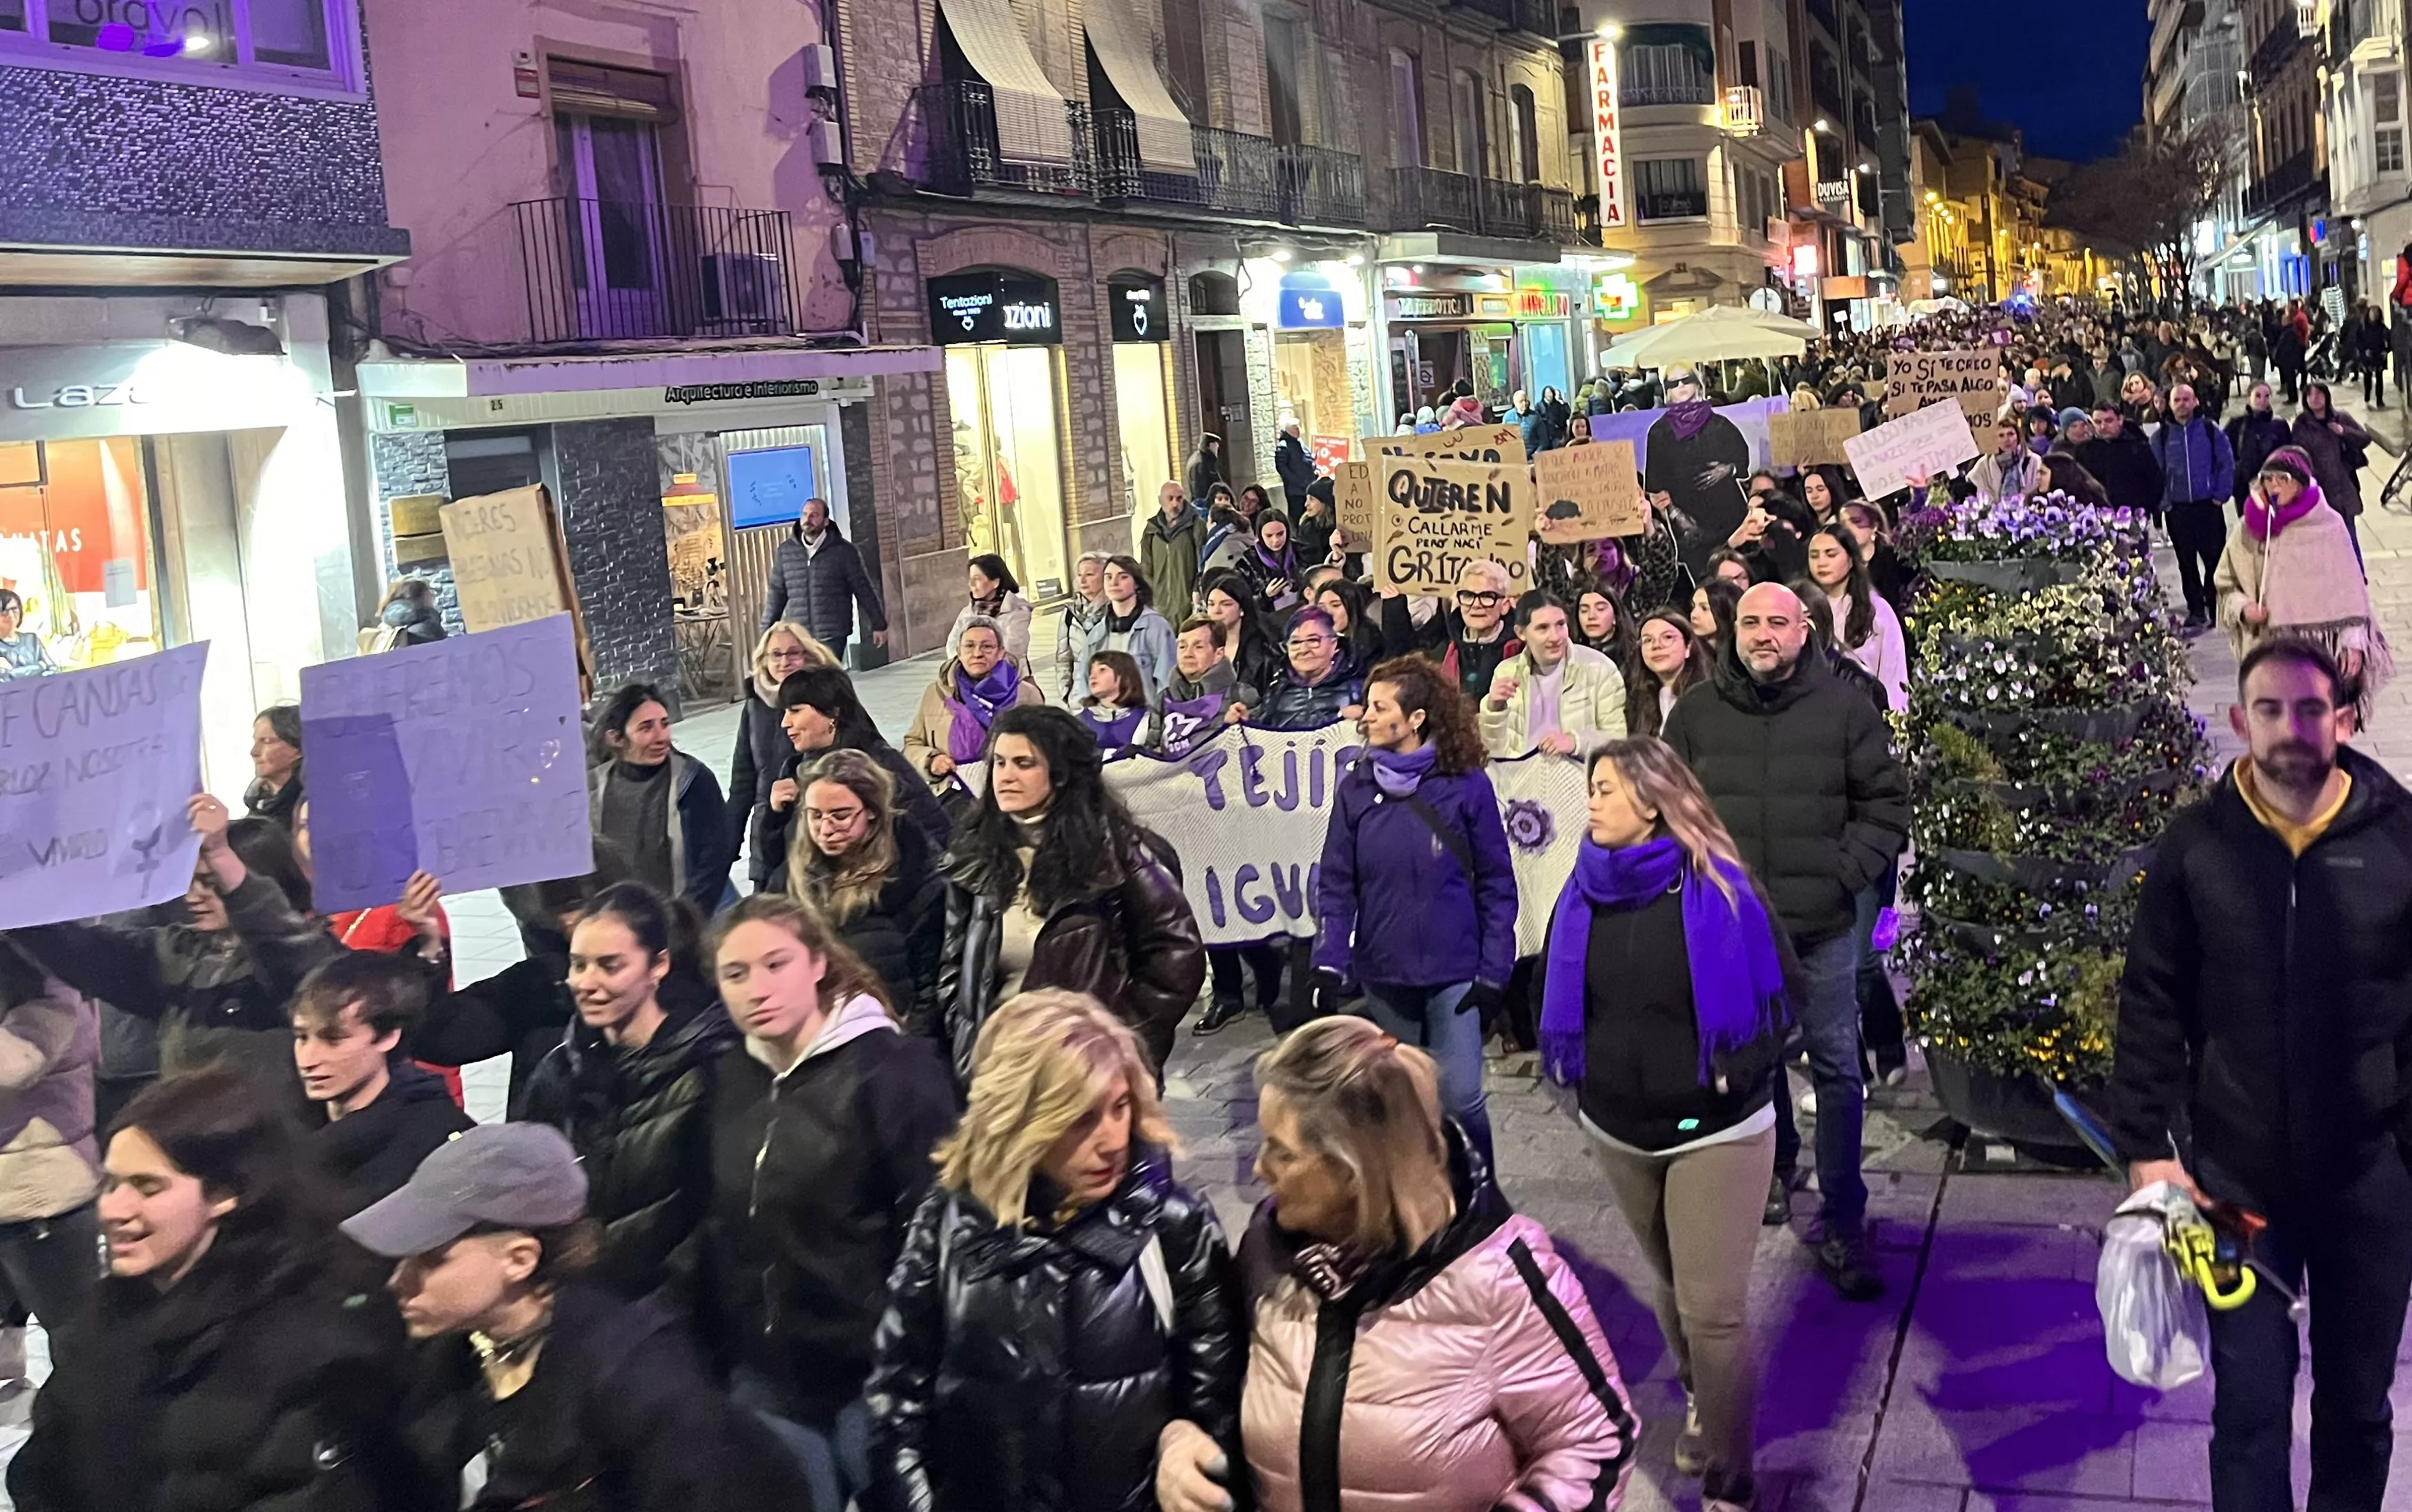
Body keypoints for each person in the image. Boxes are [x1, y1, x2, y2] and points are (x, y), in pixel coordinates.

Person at [2109, 639, 2412, 1512]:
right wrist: (2150, 1147)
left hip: (2369, 1180)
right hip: (2237, 1186)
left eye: (2311, 708)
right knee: (2248, 1410)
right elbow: (2153, 998)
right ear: (2240, 720)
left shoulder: (2395, 838)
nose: (2290, 727)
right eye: (2270, 710)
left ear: (2345, 718)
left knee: (2357, 1407)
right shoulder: (2197, 849)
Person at [1190, 1017, 1636, 1512]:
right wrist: (1180, 1440)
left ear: (1354, 1169)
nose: (1257, 1168)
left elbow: (1597, 1440)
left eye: (1282, 1153)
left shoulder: (1500, 1276)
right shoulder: (1267, 1247)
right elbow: (1221, 1384)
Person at [865, 989, 1245, 1512]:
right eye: (1080, 1118)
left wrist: (1188, 1444)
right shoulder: (947, 1221)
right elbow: (897, 1399)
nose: (1112, 1138)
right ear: (1019, 1118)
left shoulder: (1176, 1226)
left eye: (1120, 1106)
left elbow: (1218, 1406)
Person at [1537, 739, 1793, 1512]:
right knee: (1672, 1285)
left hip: (1718, 1129)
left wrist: (1730, 1074)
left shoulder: (1720, 883)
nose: (1591, 802)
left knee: (1713, 1308)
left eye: (1606, 789)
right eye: (1591, 788)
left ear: (1651, 801)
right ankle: (1698, 1395)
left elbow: (1781, 1006)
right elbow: (1553, 996)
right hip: (1619, 1129)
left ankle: (1732, 1475)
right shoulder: (1578, 890)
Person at [8, 1064, 418, 1512]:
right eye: (110, 1183)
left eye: (147, 1187)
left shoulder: (311, 1340)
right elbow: (43, 1473)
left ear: (225, 1193)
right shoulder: (103, 1323)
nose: (114, 1208)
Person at [1661, 583, 1908, 1300]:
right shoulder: (1699, 713)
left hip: (1822, 922)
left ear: (1805, 631)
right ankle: (1772, 1170)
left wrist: (1844, 873)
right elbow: (1667, 803)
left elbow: (1886, 802)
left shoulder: (1844, 707)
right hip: (1735, 927)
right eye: (1750, 622)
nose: (1763, 633)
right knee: (1752, 1060)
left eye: (1777, 621)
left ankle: (1843, 1214)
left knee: (1835, 1066)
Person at [347, 1122, 792, 1512]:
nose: (398, 1281)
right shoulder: (447, 1357)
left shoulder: (644, 1387)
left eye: (429, 1257)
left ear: (519, 1260)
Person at [706, 894, 959, 1512]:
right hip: (767, 1378)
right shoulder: (730, 1074)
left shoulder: (893, 1071)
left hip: (869, 1378)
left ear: (818, 962)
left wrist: (911, 1359)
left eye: (776, 964)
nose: (756, 989)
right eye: (735, 974)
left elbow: (941, 1228)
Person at [1310, 657, 1516, 1159]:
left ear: (1416, 717)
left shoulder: (1465, 784)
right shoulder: (1355, 788)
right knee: (1399, 1103)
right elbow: (1337, 884)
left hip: (1456, 972)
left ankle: (1479, 1194)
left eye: (1380, 708)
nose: (1367, 716)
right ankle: (1415, 1203)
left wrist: (1495, 970)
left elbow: (1496, 881)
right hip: (1385, 974)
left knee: (1461, 1097)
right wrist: (1328, 959)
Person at [15, 794, 339, 1100]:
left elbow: (282, 946)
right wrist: (13, 903)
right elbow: (86, 955)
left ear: (268, 879)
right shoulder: (183, 950)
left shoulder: (312, 957)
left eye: (211, 883)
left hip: (266, 1144)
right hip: (187, 1138)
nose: (193, 896)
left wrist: (223, 858)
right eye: (191, 881)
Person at [939, 705, 1203, 1078]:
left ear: (1061, 775)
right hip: (998, 1070)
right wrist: (966, 1034)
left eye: (1023, 763)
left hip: (1087, 1076)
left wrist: (1121, 1043)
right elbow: (953, 961)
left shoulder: (1115, 854)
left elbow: (1177, 953)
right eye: (999, 762)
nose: (1005, 776)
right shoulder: (973, 853)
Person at [520, 881, 732, 1315]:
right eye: (578, 965)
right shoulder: (557, 1072)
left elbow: (715, 1220)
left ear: (658, 966)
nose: (587, 983)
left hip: (673, 1322)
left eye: (610, 965)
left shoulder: (712, 1072)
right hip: (577, 1313)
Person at [2214, 446, 2392, 714]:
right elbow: (2225, 582)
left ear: (2301, 483)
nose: (2273, 486)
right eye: (2268, 478)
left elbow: (2349, 588)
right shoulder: (2250, 529)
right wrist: (2244, 608)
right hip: (2268, 654)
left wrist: (2353, 641)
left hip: (2322, 657)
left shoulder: (2329, 526)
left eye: (2282, 479)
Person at [289, 951, 472, 1211]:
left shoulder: (439, 1141)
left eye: (333, 1039)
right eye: (302, 1037)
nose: (308, 1060)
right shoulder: (275, 1122)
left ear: (387, 1037)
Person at [789, 749, 946, 1037]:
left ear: (872, 811)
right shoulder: (795, 878)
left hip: (894, 1037)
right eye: (815, 816)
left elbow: (930, 993)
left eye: (841, 816)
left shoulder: (913, 876)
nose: (826, 829)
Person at [758, 667, 950, 893]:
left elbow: (933, 839)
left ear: (832, 713)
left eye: (795, 711)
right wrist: (775, 816)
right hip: (812, 907)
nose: (785, 723)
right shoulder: (793, 770)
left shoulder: (881, 766)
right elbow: (776, 859)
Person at [0, 946, 98, 1384]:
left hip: (42, 1202)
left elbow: (15, 1065)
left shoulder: (51, 986)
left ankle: (91, 1435)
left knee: (78, 1341)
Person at [590, 682, 735, 914]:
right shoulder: (595, 788)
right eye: (646, 728)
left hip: (695, 917)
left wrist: (684, 921)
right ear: (616, 738)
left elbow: (713, 860)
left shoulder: (692, 779)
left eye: (665, 724)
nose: (662, 737)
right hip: (625, 922)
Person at [729, 622, 841, 893]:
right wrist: (727, 844)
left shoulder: (829, 697)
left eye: (793, 653)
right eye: (776, 655)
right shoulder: (755, 706)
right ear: (763, 660)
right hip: (768, 831)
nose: (784, 662)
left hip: (816, 830)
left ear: (808, 655)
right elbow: (743, 780)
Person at [902, 615, 1044, 801]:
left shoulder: (1025, 695)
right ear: (959, 652)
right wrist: (930, 761)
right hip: (954, 795)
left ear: (1001, 652)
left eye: (987, 646)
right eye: (969, 646)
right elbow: (912, 743)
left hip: (1012, 795)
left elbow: (1046, 748)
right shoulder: (937, 694)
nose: (977, 653)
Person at [1480, 590, 1627, 758]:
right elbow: (1493, 753)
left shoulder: (1600, 668)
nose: (1555, 637)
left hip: (1578, 777)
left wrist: (1575, 742)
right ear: (1521, 633)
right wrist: (1494, 709)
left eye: (1561, 625)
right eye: (1543, 628)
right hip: (1517, 777)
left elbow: (1618, 742)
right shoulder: (1506, 671)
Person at [2150, 383, 2239, 629]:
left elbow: (2226, 462)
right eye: (2177, 400)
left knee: (2215, 561)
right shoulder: (2162, 436)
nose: (2182, 405)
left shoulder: (2210, 430)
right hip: (2179, 510)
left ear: (2195, 402)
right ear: (2169, 404)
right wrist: (2165, 502)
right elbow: (2155, 472)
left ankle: (2216, 607)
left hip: (2208, 506)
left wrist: (2221, 494)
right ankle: (2196, 610)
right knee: (2186, 562)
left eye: (2186, 399)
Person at [1377, 557, 1525, 702]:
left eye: (1487, 596)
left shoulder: (1521, 650)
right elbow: (1402, 664)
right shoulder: (1443, 651)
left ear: (1505, 606)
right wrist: (1394, 607)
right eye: (1468, 595)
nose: (1476, 604)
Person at [761, 496, 888, 662]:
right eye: (805, 515)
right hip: (800, 634)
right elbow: (776, 594)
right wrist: (766, 633)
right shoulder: (786, 553)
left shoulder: (844, 552)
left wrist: (879, 624)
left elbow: (863, 589)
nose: (808, 520)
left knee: (827, 678)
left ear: (826, 521)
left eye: (814, 515)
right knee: (805, 682)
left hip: (833, 634)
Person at [1805, 522, 1908, 713]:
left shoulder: (1876, 610)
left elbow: (1894, 677)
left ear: (1851, 559)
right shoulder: (1800, 607)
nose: (1821, 563)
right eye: (1814, 555)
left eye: (1831, 554)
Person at [1073, 554, 1178, 705]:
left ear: (1136, 583)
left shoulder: (1157, 628)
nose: (1114, 583)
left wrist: (1159, 720)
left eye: (1123, 577)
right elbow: (1082, 682)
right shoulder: (1097, 633)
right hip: (1104, 719)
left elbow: (1167, 683)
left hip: (1145, 718)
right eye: (1108, 577)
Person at [1251, 604, 1367, 731]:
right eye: (1295, 642)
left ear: (1334, 644)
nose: (1304, 650)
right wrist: (1242, 720)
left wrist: (1362, 719)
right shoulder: (1277, 689)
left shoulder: (1361, 690)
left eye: (1313, 640)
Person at [1158, 615, 1258, 760]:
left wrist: (1231, 728)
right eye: (1182, 646)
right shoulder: (1163, 699)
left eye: (1198, 647)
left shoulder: (1242, 695)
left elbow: (1257, 750)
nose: (1188, 654)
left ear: (1218, 654)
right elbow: (1152, 755)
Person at [2293, 381, 2374, 554]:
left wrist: (2344, 431)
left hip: (2343, 486)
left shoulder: (2340, 418)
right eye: (2310, 395)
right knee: (2322, 541)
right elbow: (2298, 455)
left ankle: (2358, 577)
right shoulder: (2301, 424)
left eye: (2319, 394)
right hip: (2318, 490)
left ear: (2327, 397)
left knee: (2349, 537)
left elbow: (2365, 439)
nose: (2314, 399)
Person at [1626, 609, 1714, 740]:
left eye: (1668, 637)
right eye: (1648, 640)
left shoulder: (1709, 697)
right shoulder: (1636, 701)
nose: (1656, 645)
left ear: (1688, 648)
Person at [2075, 402, 2167, 521]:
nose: (2103, 427)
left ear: (2120, 420)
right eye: (2098, 422)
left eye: (2109, 421)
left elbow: (2155, 483)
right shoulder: (2084, 452)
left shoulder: (2138, 448)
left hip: (2134, 519)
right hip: (2096, 521)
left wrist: (2144, 510)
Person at [949, 554, 1034, 669]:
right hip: (969, 675)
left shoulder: (1016, 612)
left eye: (977, 579)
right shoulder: (968, 613)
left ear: (995, 582)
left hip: (1007, 678)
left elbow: (1013, 650)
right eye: (971, 579)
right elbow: (953, 646)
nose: (971, 584)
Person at [1203, 571, 1282, 694]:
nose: (1216, 611)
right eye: (1211, 604)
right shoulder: (1200, 646)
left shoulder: (1261, 653)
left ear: (1242, 609)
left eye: (1226, 604)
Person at [1139, 482, 1209, 621]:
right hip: (1160, 604)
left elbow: (1203, 562)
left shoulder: (1196, 526)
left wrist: (1197, 591)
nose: (1175, 504)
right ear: (1160, 500)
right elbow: (1146, 567)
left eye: (1179, 498)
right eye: (1170, 499)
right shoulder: (1152, 530)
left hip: (1187, 602)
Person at [2225, 381, 2295, 515]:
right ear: (2248, 397)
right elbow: (2226, 455)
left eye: (2267, 396)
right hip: (2244, 488)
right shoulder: (2237, 425)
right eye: (2258, 396)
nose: (2262, 400)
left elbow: (2287, 456)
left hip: (2274, 488)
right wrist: (2236, 476)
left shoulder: (2279, 426)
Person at [1058, 550, 1116, 703]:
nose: (1082, 580)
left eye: (1090, 575)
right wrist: (1066, 692)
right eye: (1079, 574)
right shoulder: (1070, 611)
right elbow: (1064, 657)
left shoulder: (1118, 609)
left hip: (1111, 696)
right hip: (1079, 697)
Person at [1233, 509, 1306, 618]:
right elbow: (1241, 604)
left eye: (1280, 534)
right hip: (1267, 623)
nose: (1275, 540)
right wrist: (1265, 596)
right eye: (1269, 536)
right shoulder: (1247, 562)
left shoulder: (1301, 551)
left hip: (1301, 614)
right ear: (1260, 535)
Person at [1077, 649, 1152, 754]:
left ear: (1124, 675)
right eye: (1091, 672)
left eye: (1102, 670)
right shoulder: (1078, 722)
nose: (1092, 677)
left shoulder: (1149, 718)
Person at [245, 702, 305, 830]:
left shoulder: (307, 810)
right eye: (255, 741)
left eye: (267, 741)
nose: (254, 752)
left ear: (298, 748)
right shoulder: (257, 802)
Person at [1970, 419, 2042, 500]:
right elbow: (1974, 485)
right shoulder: (1984, 464)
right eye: (2001, 435)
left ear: (2018, 436)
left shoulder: (2034, 461)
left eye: (2011, 434)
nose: (2007, 439)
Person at [371, 577, 446, 648]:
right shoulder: (428, 627)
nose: (433, 600)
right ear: (424, 597)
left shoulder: (385, 629)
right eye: (431, 595)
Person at [1574, 580, 1634, 662]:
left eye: (1601, 609)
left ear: (1616, 616)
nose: (1591, 616)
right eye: (1584, 610)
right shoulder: (1572, 657)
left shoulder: (1633, 657)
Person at [1689, 577, 1742, 658]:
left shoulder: (1742, 657)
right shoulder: (1688, 654)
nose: (1693, 615)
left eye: (1704, 608)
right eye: (1693, 607)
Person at [1273, 417, 1315, 513]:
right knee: (1297, 514)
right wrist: (1299, 481)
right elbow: (1282, 468)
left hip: (1307, 488)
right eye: (1296, 428)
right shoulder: (1283, 446)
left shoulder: (1300, 443)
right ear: (1289, 430)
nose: (1298, 430)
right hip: (1295, 491)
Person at [1184, 433, 1223, 506]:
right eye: (1216, 444)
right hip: (1205, 507)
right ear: (1210, 445)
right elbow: (1200, 492)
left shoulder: (1203, 460)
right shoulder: (1200, 464)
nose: (1217, 447)